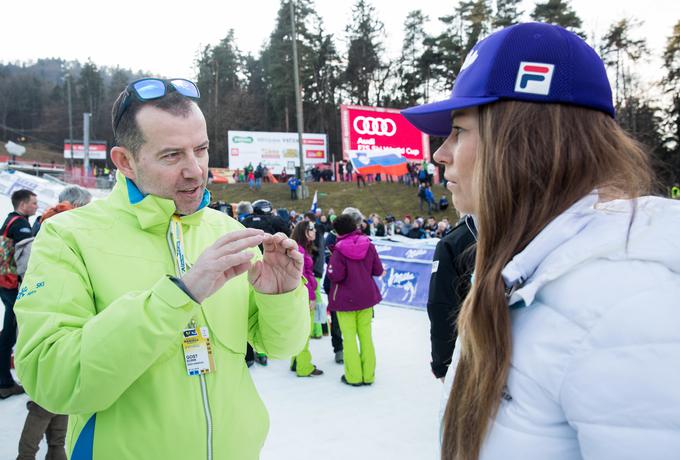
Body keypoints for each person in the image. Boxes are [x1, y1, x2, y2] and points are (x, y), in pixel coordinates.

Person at [402, 22, 680, 460]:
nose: (439, 154)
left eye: (459, 131)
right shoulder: (523, 270)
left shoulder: (623, 306)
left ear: (521, 141)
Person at [14, 78, 309, 459]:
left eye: (200, 149)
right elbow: (51, 380)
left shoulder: (227, 231)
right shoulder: (68, 236)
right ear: (125, 161)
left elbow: (281, 346)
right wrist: (176, 297)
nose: (195, 170)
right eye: (172, 156)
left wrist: (281, 296)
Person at [15, 188, 91, 460]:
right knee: (48, 394)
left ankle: (56, 450)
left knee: (62, 388)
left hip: (46, 309)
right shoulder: (64, 224)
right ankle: (30, 454)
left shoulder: (46, 220)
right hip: (54, 312)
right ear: (80, 205)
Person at [327, 214, 384, 387]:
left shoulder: (338, 250)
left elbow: (336, 275)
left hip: (345, 301)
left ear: (338, 231)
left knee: (349, 338)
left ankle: (353, 376)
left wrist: (331, 266)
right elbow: (378, 270)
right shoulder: (369, 245)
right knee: (366, 336)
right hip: (366, 298)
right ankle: (368, 375)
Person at [426, 215, 476, 382]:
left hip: (474, 352)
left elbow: (440, 306)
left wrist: (442, 362)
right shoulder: (523, 230)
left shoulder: (453, 242)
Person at [0, 189, 37, 400]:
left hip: (4, 283)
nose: (35, 207)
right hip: (14, 285)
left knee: (9, 329)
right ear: (22, 204)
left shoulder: (8, 220)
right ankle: (4, 381)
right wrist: (29, 285)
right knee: (11, 332)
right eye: (33, 203)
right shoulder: (21, 225)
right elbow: (26, 261)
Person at [289, 221, 324, 377]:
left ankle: (296, 362)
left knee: (299, 329)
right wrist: (311, 297)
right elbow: (302, 277)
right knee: (304, 332)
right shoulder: (300, 250)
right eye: (311, 229)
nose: (314, 231)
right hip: (303, 295)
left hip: (301, 294)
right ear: (304, 232)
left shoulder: (300, 248)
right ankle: (304, 366)